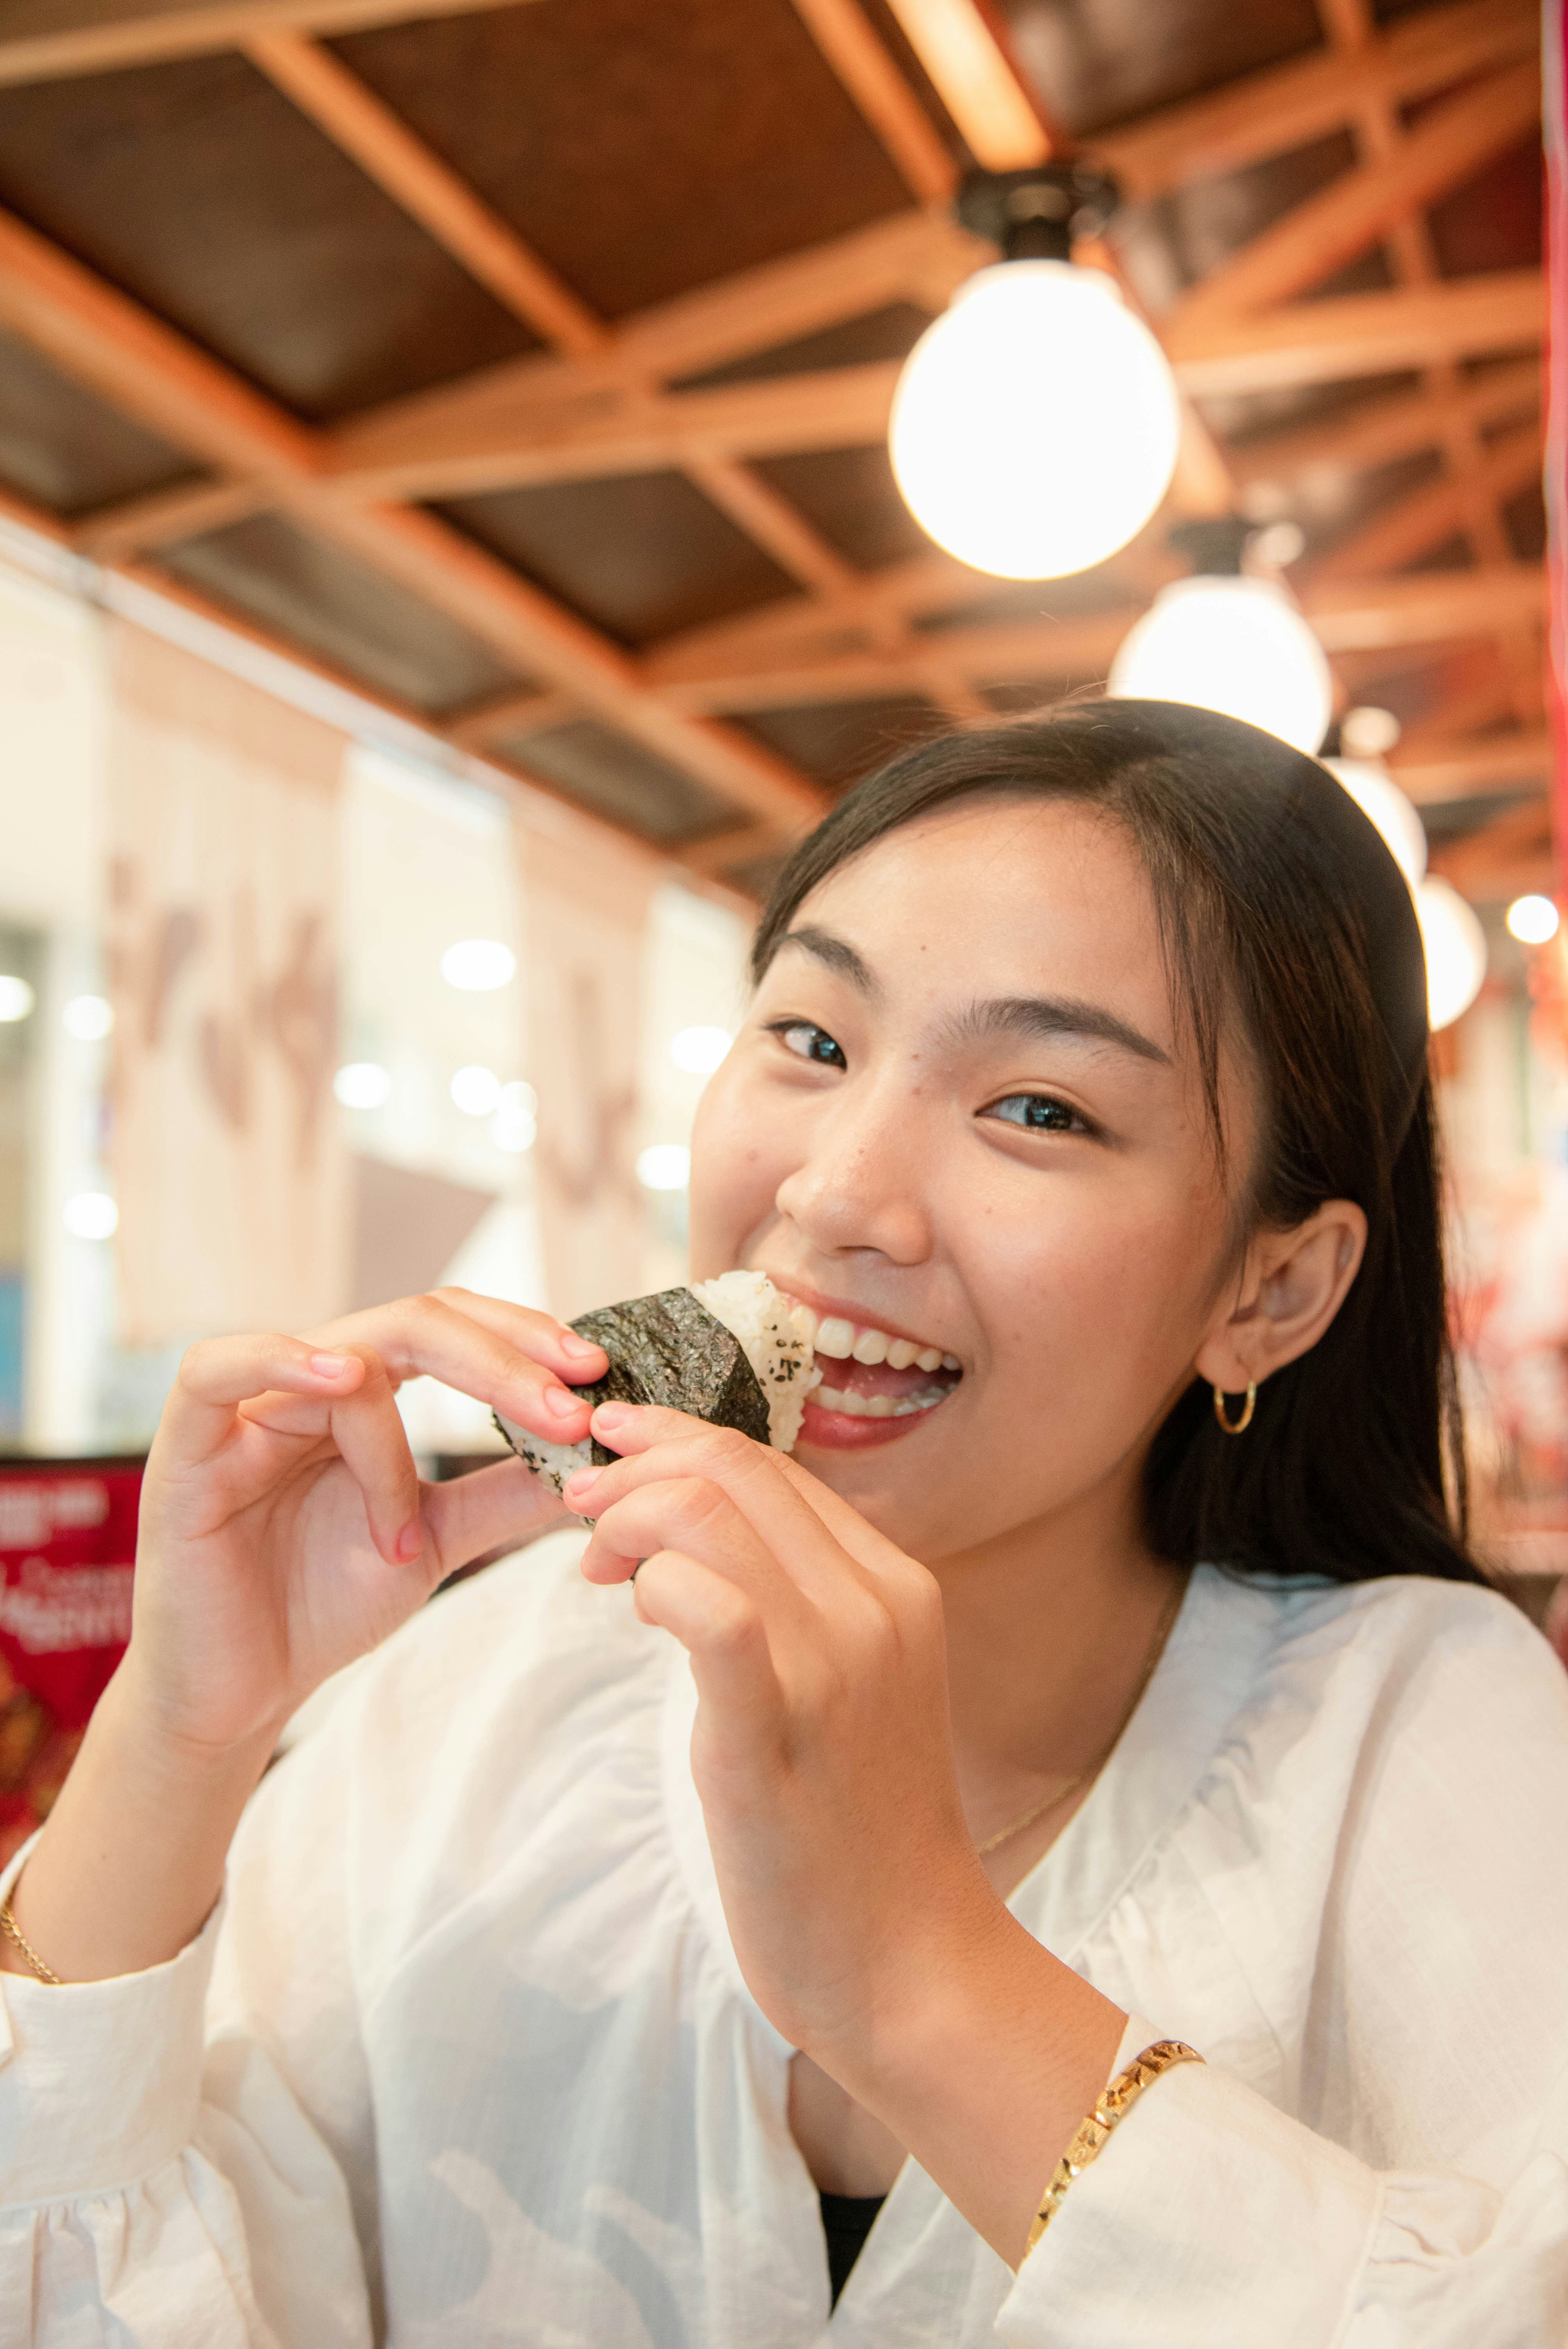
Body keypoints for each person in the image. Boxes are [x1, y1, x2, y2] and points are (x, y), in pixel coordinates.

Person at [3, 701, 1566, 2347]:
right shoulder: (478, 1691)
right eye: (812, 1041)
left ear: (1270, 1288)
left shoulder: (1422, 1734)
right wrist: (179, 1735)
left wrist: (916, 1976)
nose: (831, 1191)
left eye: (1038, 1107)